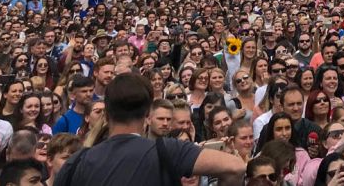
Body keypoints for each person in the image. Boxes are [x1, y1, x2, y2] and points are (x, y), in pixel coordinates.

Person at [53, 72, 245, 185]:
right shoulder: (168, 150)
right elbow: (235, 167)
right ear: (147, 115)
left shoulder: (78, 161)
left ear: (107, 114)